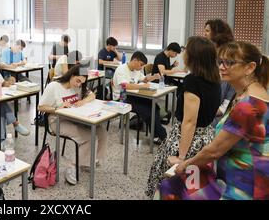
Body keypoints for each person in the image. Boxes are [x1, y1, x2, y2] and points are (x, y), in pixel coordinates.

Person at [160, 41, 269, 200]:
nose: (222, 67)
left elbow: (214, 151)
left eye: (229, 62)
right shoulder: (248, 94)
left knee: (171, 190)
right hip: (237, 176)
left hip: (245, 184)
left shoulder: (248, 106)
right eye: (220, 61)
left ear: (250, 67)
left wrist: (184, 163)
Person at [145, 36, 221, 198]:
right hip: (205, 138)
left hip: (186, 141)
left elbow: (189, 121)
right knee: (193, 188)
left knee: (171, 185)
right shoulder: (215, 80)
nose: (183, 52)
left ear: (193, 56)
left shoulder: (192, 80)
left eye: (186, 49)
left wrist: (181, 157)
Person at [38, 64, 107, 185]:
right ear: (72, 75)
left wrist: (82, 101)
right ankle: (72, 166)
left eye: (82, 82)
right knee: (89, 137)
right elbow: (41, 107)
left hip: (74, 118)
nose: (79, 84)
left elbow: (92, 95)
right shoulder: (54, 86)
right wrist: (57, 108)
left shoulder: (77, 87)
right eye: (78, 81)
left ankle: (89, 160)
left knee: (101, 132)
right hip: (57, 121)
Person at [111, 51, 165, 144]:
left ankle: (157, 135)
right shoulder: (121, 69)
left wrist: (154, 77)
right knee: (147, 111)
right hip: (122, 97)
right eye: (141, 65)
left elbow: (144, 79)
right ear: (135, 60)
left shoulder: (136, 70)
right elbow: (125, 86)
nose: (141, 67)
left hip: (133, 95)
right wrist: (142, 86)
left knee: (154, 107)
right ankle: (161, 135)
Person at [204, 19, 236, 126]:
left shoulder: (229, 58)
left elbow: (227, 100)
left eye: (207, 31)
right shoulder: (209, 55)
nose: (204, 34)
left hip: (218, 117)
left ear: (216, 34)